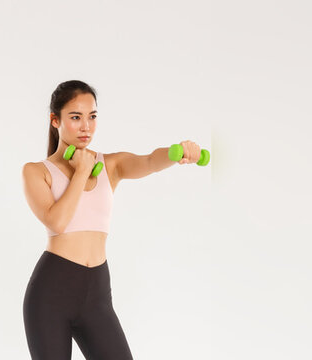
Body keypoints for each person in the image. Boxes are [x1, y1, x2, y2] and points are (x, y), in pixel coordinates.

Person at [21, 80, 201, 359]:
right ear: (55, 120)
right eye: (75, 117)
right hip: (51, 293)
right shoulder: (36, 172)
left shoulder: (111, 165)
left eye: (92, 117)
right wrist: (81, 172)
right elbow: (57, 223)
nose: (86, 127)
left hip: (96, 293)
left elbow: (150, 161)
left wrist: (179, 151)